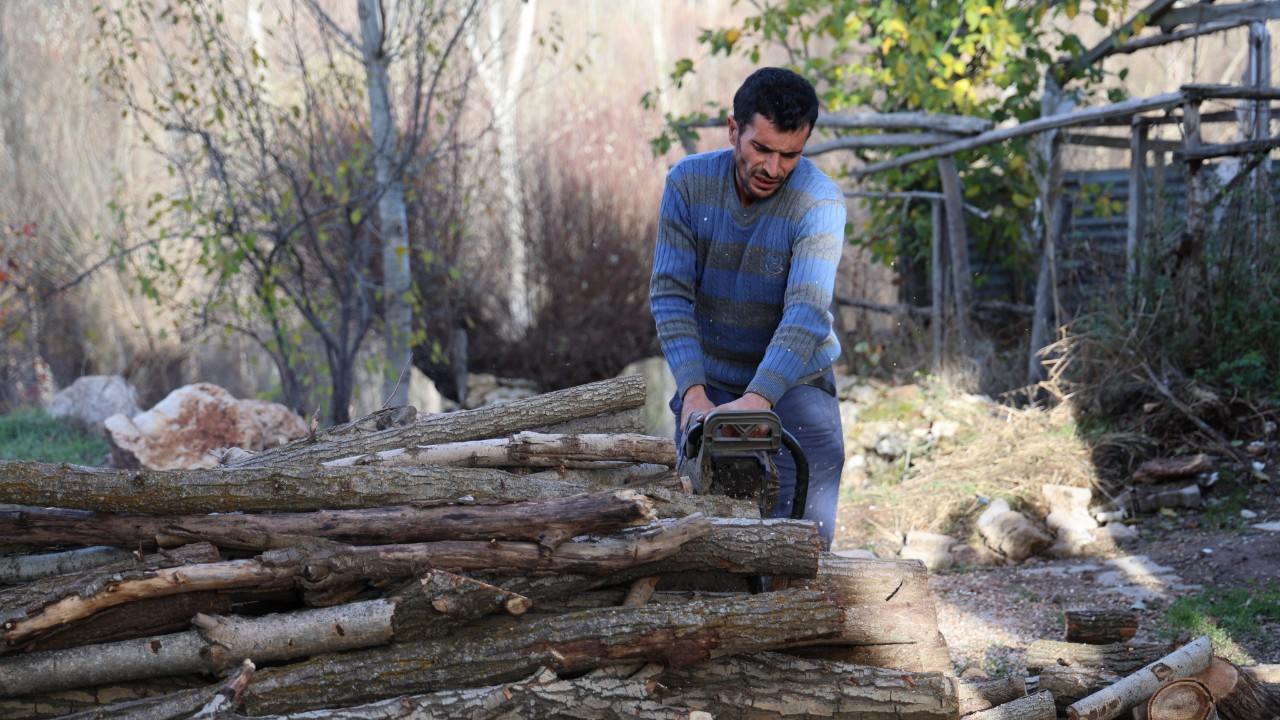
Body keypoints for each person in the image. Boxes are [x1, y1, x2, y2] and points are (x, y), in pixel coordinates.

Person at [650, 67, 846, 549]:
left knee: (804, 533)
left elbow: (806, 311)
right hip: (712, 378)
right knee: (705, 523)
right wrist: (693, 394)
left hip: (795, 380)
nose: (774, 168)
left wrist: (759, 400)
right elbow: (671, 294)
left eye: (790, 155)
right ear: (734, 129)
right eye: (762, 149)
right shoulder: (688, 185)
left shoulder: (819, 202)